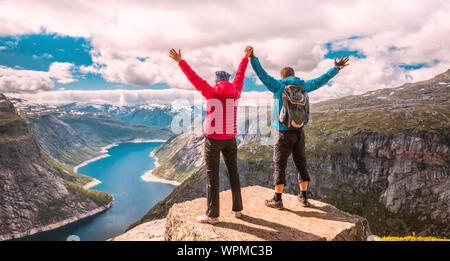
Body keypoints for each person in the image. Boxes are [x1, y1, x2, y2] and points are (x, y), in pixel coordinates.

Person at [248, 47, 349, 209]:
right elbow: (321, 80)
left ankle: (277, 199)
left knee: (279, 164)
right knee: (301, 163)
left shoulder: (279, 86)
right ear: (293, 75)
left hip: (283, 132)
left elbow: (262, 75)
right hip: (299, 131)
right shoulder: (304, 86)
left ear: (282, 76)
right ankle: (303, 197)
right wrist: (335, 69)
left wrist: (252, 58)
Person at [169, 47, 252, 224]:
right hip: (230, 139)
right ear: (228, 80)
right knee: (233, 172)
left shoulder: (211, 91)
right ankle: (237, 209)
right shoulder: (236, 91)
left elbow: (194, 79)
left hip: (213, 140)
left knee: (212, 175)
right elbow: (241, 75)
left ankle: (212, 215)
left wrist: (181, 62)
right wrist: (245, 58)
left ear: (216, 80)